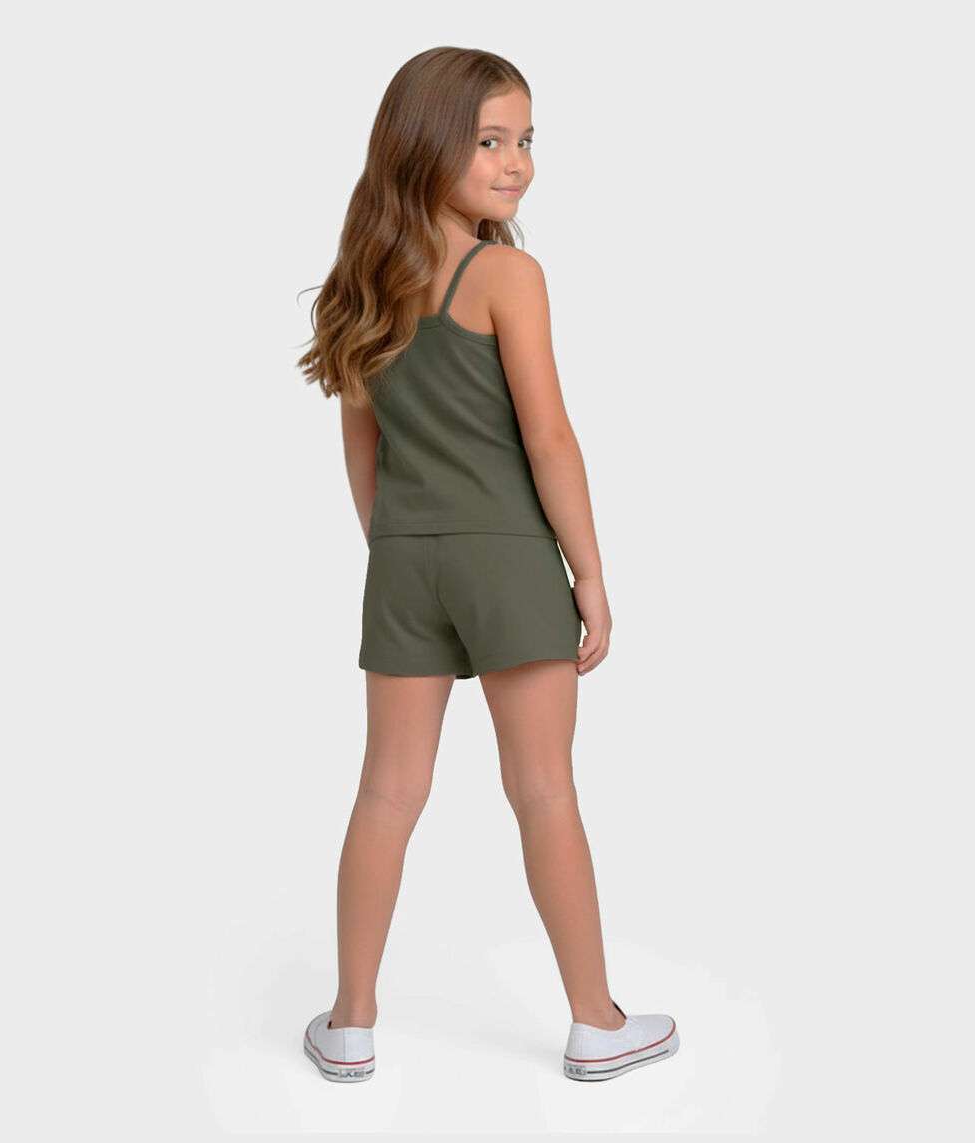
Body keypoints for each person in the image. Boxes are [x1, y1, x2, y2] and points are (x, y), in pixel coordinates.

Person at [297, 46, 680, 1084]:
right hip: (508, 558)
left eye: (525, 141)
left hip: (402, 562)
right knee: (544, 789)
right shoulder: (506, 275)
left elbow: (362, 449)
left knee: (386, 793)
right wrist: (587, 572)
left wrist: (398, 549)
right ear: (425, 145)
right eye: (490, 141)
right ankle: (596, 1021)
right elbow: (548, 436)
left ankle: (350, 1023)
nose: (517, 163)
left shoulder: (360, 287)